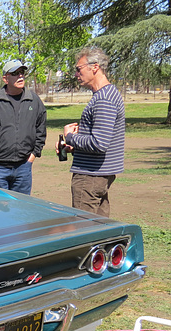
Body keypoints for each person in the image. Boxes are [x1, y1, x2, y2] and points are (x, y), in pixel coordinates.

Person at [58, 47, 124, 217]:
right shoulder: (107, 94)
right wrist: (75, 147)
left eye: (78, 69)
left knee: (84, 229)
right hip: (97, 174)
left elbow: (99, 143)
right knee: (100, 229)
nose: (76, 74)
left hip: (90, 177)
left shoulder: (104, 99)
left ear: (94, 67)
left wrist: (70, 137)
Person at [0, 59, 47, 195]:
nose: (20, 76)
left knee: (21, 209)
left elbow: (40, 130)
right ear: (5, 78)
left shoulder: (34, 100)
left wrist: (33, 156)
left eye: (22, 72)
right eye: (15, 73)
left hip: (23, 168)